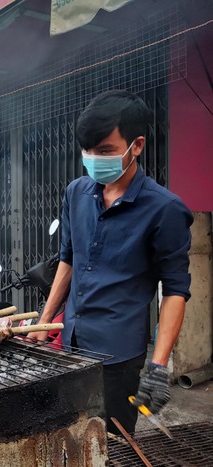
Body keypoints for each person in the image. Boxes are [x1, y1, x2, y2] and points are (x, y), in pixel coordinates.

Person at [28, 91, 192, 435]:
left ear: (137, 146)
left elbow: (175, 290)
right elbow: (68, 259)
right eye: (87, 150)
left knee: (113, 447)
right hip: (70, 340)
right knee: (70, 439)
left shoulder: (165, 209)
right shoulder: (76, 191)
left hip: (117, 357)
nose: (92, 159)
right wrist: (45, 321)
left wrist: (159, 367)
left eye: (105, 151)